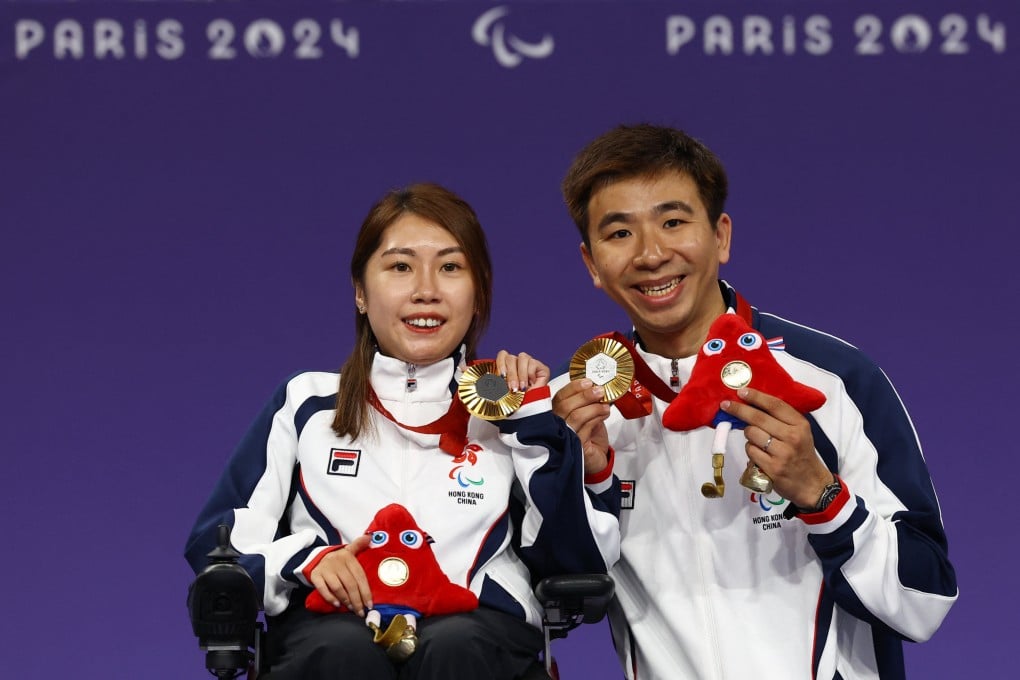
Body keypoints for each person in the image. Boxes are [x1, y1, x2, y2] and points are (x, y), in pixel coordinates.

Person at [550, 124, 957, 680]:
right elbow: (554, 591)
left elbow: (925, 599)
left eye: (673, 222)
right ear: (592, 263)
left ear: (720, 236)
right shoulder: (580, 414)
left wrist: (823, 496)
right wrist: (588, 480)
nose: (650, 254)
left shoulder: (833, 380)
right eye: (619, 234)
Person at [185, 182, 621, 680]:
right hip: (326, 631)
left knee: (457, 646)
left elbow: (579, 561)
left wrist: (534, 426)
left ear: (478, 293)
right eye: (400, 266)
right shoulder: (304, 404)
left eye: (451, 267)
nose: (426, 289)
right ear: (360, 292)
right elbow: (219, 545)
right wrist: (308, 562)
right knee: (341, 652)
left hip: (479, 639)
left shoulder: (512, 408)